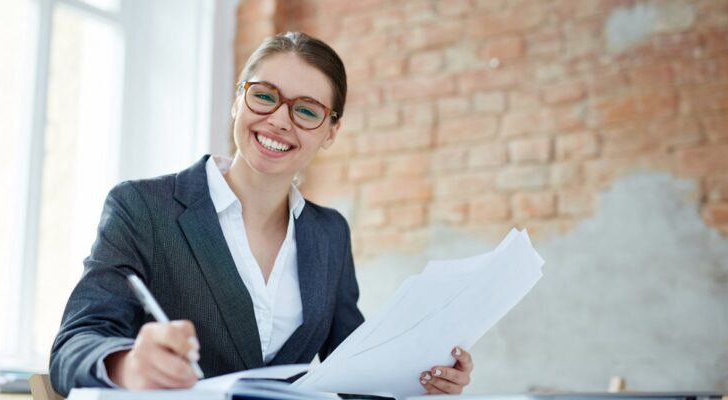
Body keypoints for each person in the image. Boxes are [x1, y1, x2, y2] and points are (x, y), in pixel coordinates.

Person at [49, 31, 473, 397]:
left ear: (330, 132)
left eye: (306, 110)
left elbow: (352, 369)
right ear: (238, 100)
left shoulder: (329, 234)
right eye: (264, 96)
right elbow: (74, 344)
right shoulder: (142, 207)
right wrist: (127, 364)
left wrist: (421, 376)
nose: (278, 120)